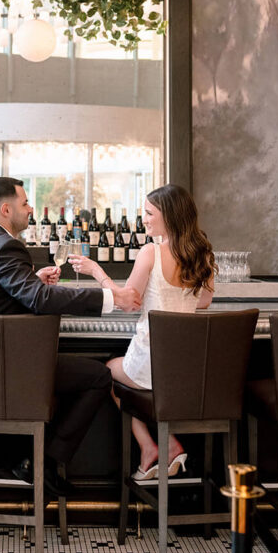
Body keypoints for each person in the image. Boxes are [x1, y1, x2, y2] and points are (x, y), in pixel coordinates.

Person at [0, 176, 141, 496]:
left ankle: (6, 448)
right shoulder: (8, 246)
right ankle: (43, 460)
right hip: (8, 372)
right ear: (7, 209)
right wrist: (112, 299)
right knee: (99, 376)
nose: (30, 209)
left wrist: (32, 279)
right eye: (25, 204)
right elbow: (40, 300)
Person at [70, 184, 215, 481]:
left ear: (170, 216)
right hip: (189, 371)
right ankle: (164, 445)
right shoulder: (204, 255)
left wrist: (97, 271)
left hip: (152, 364)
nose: (144, 219)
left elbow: (128, 302)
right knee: (119, 370)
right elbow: (205, 301)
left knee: (107, 371)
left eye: (149, 213)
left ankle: (150, 445)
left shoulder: (151, 252)